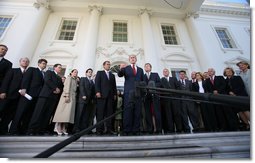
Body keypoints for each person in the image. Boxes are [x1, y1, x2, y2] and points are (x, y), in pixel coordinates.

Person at [9, 59, 48, 135]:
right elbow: (26, 79)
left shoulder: (44, 73)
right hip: (27, 94)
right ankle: (13, 130)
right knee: (20, 112)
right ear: (39, 64)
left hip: (37, 96)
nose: (44, 65)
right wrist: (24, 88)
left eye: (45, 64)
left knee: (29, 114)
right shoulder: (32, 69)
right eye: (43, 63)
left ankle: (23, 130)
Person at [27, 64, 63, 135]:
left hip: (53, 98)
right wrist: (55, 88)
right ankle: (31, 130)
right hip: (45, 96)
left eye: (61, 68)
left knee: (47, 115)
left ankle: (41, 130)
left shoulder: (59, 77)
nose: (60, 69)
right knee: (38, 113)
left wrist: (59, 90)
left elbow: (61, 87)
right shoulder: (49, 72)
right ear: (54, 68)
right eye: (59, 67)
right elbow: (47, 81)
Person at [0, 57, 29, 134]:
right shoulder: (13, 70)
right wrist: (3, 92)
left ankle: (2, 130)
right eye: (23, 61)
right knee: (1, 110)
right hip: (8, 95)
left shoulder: (28, 73)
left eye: (27, 61)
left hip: (18, 98)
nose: (25, 62)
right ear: (20, 62)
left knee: (9, 115)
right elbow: (6, 81)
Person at [118, 55, 144, 135]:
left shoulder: (140, 69)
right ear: (129, 60)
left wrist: (142, 92)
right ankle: (127, 130)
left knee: (137, 112)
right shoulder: (126, 68)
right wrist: (121, 68)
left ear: (136, 59)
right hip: (128, 93)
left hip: (138, 93)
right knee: (128, 112)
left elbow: (142, 81)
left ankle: (136, 130)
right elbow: (120, 75)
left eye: (134, 57)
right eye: (131, 58)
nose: (133, 59)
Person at [53, 69, 78, 135]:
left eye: (77, 72)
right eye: (75, 72)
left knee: (67, 114)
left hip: (72, 98)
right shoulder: (69, 78)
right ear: (71, 73)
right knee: (62, 112)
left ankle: (63, 127)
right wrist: (67, 95)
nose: (76, 73)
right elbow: (66, 87)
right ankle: (57, 127)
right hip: (66, 97)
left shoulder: (75, 80)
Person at [95, 61, 117, 135]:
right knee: (100, 114)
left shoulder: (112, 75)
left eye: (109, 64)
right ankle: (99, 130)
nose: (109, 65)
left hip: (110, 97)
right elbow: (97, 83)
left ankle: (109, 129)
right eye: (107, 64)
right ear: (104, 66)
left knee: (109, 114)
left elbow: (114, 86)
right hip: (101, 96)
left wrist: (114, 94)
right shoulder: (99, 73)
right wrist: (97, 92)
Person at [73, 68, 95, 133]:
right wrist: (83, 95)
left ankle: (83, 129)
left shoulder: (91, 81)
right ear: (86, 73)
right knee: (79, 114)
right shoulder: (83, 79)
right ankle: (76, 128)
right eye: (89, 72)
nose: (90, 73)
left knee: (86, 115)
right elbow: (81, 87)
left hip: (89, 101)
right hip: (82, 99)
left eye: (91, 72)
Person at [160, 68, 182, 134]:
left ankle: (179, 128)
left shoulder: (174, 79)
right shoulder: (161, 80)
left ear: (168, 72)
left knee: (177, 114)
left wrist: (176, 97)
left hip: (174, 100)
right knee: (168, 115)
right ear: (163, 73)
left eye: (166, 71)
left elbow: (178, 87)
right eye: (164, 71)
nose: (165, 72)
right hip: (166, 100)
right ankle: (171, 129)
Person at [143, 63, 161, 134]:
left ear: (151, 68)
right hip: (146, 96)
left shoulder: (155, 74)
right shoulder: (143, 76)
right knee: (147, 113)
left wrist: (152, 86)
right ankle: (150, 129)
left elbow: (159, 83)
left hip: (155, 95)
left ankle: (159, 129)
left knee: (157, 112)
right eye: (145, 66)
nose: (146, 67)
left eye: (148, 66)